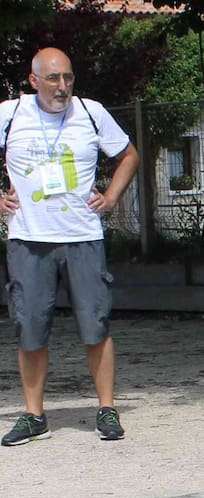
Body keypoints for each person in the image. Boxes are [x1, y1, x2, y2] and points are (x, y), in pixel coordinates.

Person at [0, 47, 139, 446]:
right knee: (30, 327)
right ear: (33, 81)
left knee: (95, 324)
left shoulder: (90, 112)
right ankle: (33, 415)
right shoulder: (11, 114)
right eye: (53, 79)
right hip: (29, 238)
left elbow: (128, 155)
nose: (62, 87)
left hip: (82, 236)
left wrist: (110, 198)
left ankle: (107, 408)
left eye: (68, 78)